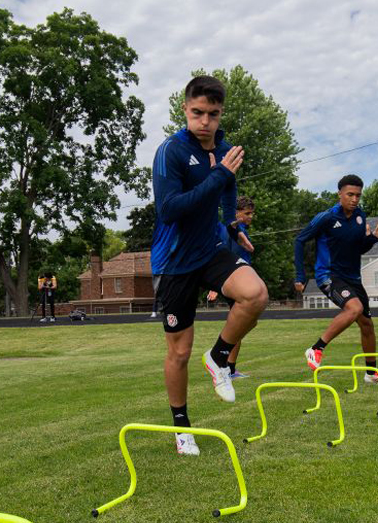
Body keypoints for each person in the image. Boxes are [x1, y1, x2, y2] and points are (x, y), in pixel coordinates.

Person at [151, 75, 268, 455]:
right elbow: (169, 210)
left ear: (220, 114)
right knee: (179, 353)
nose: (205, 121)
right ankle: (181, 427)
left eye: (212, 114)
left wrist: (234, 233)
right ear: (185, 109)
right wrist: (219, 174)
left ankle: (218, 357)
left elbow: (227, 199)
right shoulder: (170, 151)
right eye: (197, 113)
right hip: (174, 260)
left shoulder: (227, 148)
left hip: (210, 248)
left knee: (255, 294)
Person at [293, 174, 378, 385]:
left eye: (358, 195)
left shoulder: (360, 217)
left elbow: (358, 248)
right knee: (354, 309)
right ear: (340, 194)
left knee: (367, 325)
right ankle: (316, 348)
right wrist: (300, 275)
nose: (354, 199)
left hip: (353, 278)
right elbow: (300, 240)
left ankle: (371, 374)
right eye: (350, 194)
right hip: (328, 275)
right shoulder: (327, 218)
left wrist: (372, 239)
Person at [206, 195, 256, 378]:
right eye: (247, 213)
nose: (251, 217)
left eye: (252, 213)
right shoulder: (230, 229)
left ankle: (230, 368)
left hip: (243, 280)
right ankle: (221, 358)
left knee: (245, 322)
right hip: (235, 282)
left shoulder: (241, 229)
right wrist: (215, 286)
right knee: (241, 322)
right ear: (236, 213)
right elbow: (222, 257)